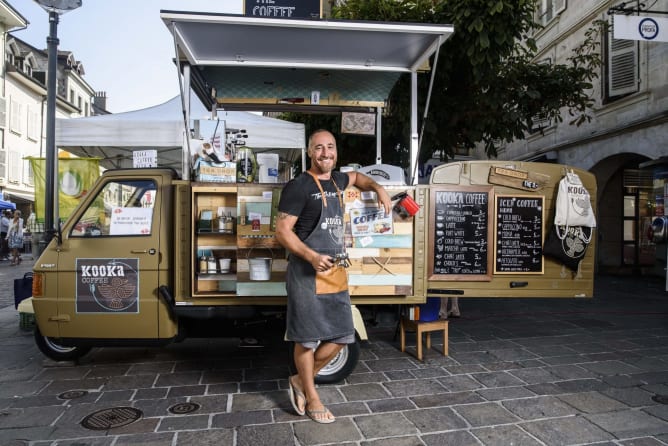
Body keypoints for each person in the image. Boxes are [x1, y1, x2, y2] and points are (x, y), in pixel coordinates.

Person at [275, 129, 391, 424]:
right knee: (307, 340)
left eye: (330, 147)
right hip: (306, 274)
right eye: (319, 148)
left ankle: (301, 380)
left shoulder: (339, 180)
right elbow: (282, 231)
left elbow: (359, 178)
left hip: (335, 272)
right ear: (310, 152)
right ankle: (313, 397)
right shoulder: (298, 186)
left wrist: (378, 189)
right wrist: (312, 256)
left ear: (335, 150)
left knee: (343, 335)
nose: (325, 153)